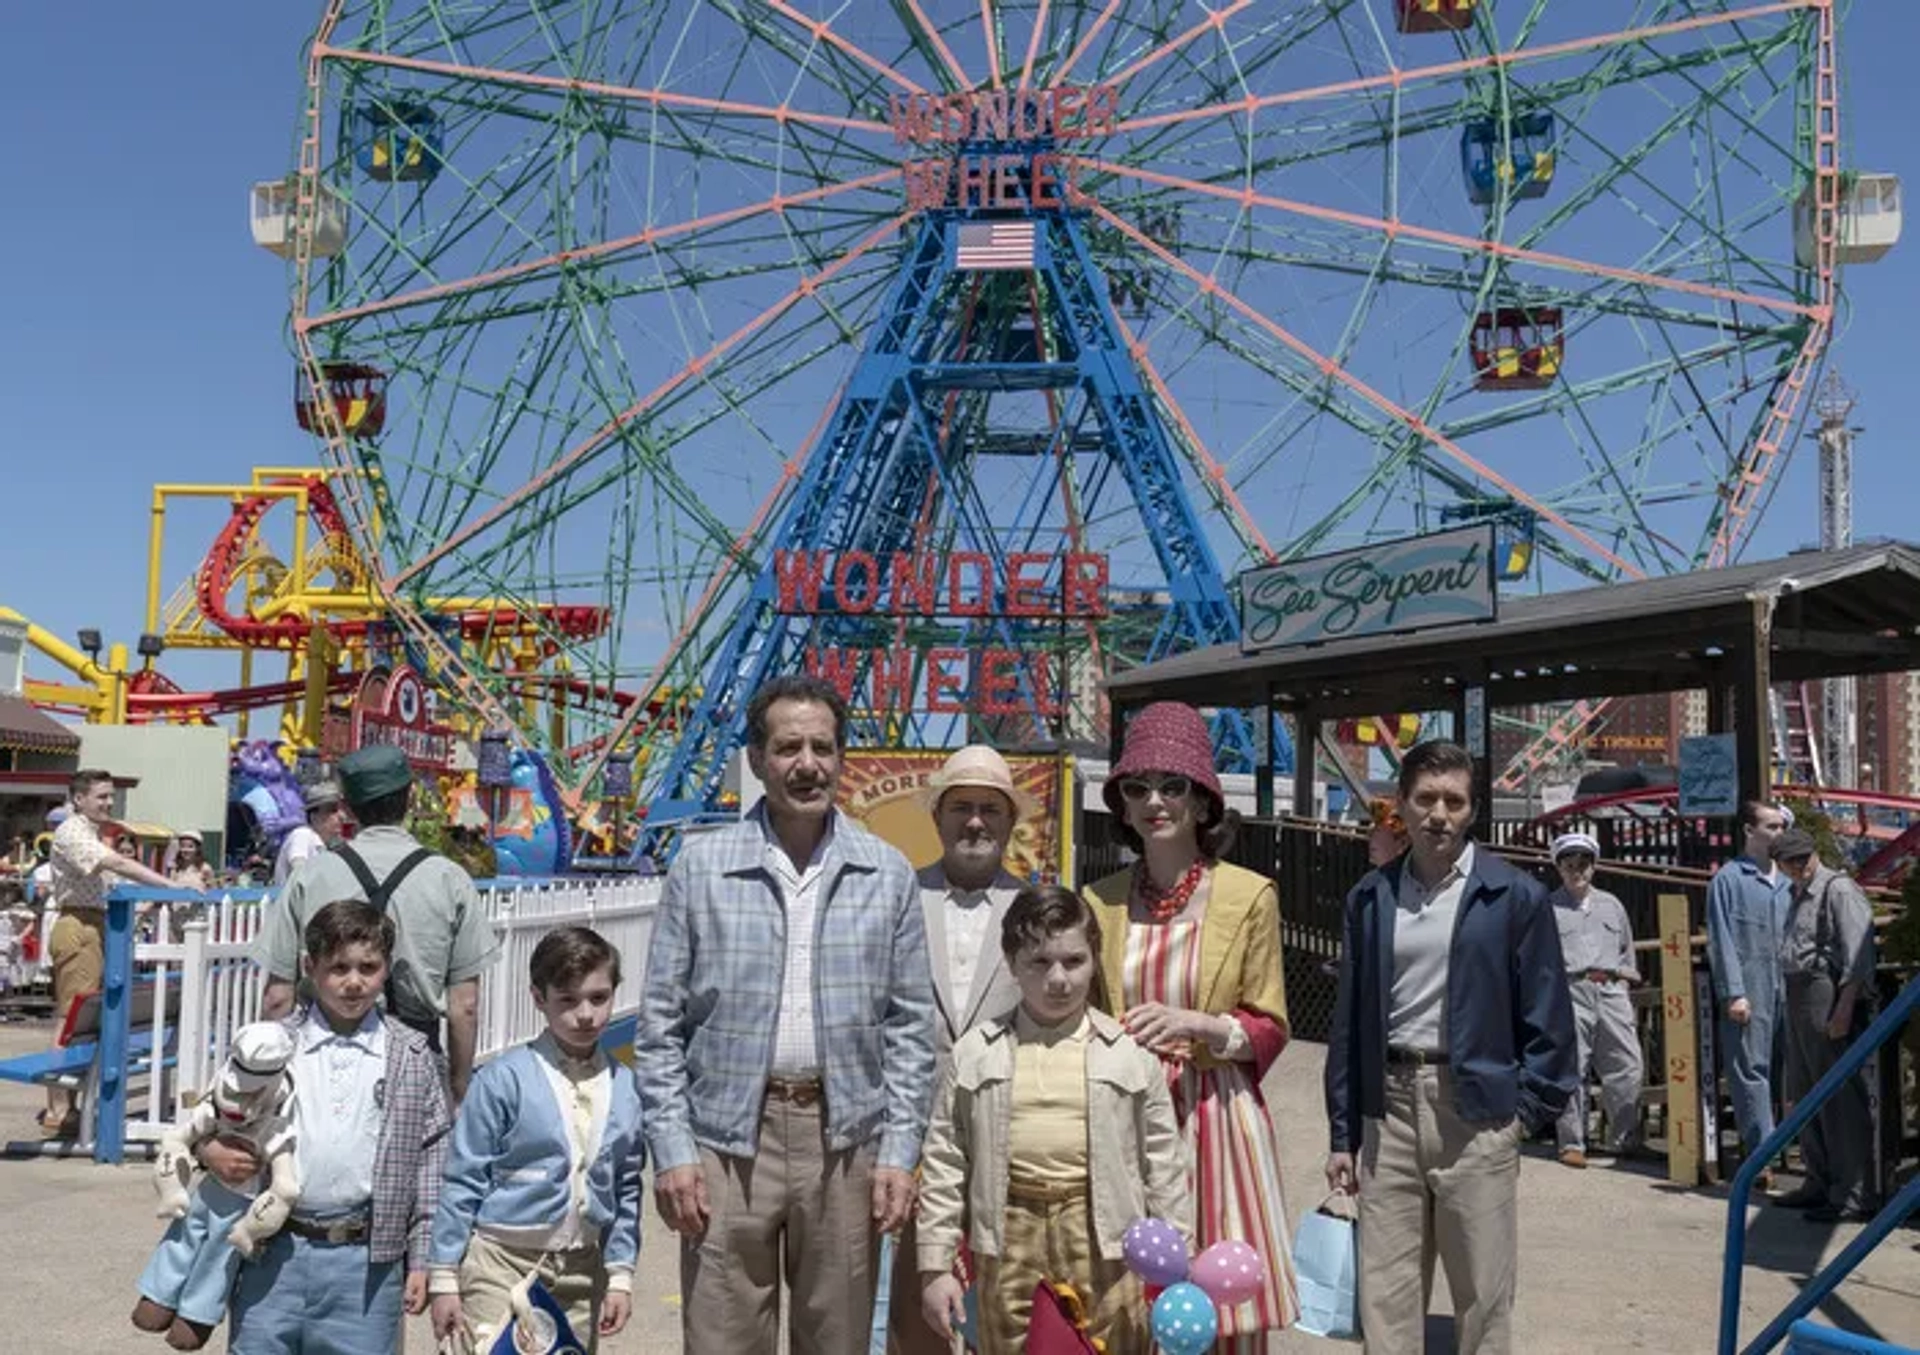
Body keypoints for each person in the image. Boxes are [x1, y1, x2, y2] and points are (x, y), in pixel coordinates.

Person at [633, 674, 935, 1355]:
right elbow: (659, 1027)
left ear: (841, 757)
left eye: (823, 747)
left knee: (837, 1338)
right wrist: (674, 1151)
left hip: (847, 1138)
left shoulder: (885, 874)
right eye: (789, 746)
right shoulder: (702, 869)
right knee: (722, 1337)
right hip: (728, 1137)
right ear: (758, 756)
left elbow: (911, 1030)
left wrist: (899, 1152)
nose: (808, 764)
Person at [1324, 739, 1576, 1355]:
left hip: (1479, 1111)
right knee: (1385, 1293)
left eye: (1455, 801)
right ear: (1402, 806)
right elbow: (1349, 1021)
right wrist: (1342, 1133)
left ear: (1472, 810)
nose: (1440, 814)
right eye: (1426, 799)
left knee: (1483, 1297)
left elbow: (1550, 1017)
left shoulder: (1515, 897)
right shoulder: (1370, 898)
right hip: (1390, 1109)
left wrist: (1522, 1116)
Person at [1083, 700, 1299, 1346]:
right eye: (1138, 786)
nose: (1155, 800)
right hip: (1126, 1112)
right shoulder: (1099, 900)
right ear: (1120, 803)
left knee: (1221, 1302)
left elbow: (1269, 1022)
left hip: (1213, 1116)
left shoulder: (1249, 894)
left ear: (1203, 801)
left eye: (1172, 785)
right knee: (1127, 1291)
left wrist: (1200, 1024)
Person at [917, 885, 1187, 1354]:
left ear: (1095, 958)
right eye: (1039, 962)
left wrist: (1177, 1264)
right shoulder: (975, 1053)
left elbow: (1163, 1166)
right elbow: (944, 1162)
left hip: (1106, 1237)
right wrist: (935, 1266)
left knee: (1111, 1345)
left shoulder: (1130, 1057)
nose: (1058, 979)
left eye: (1074, 961)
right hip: (1006, 1233)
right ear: (1012, 962)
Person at [221, 899, 450, 1354]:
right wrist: (213, 1150)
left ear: (387, 968)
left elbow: (431, 1165)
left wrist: (423, 1260)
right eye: (338, 967)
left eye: (368, 967)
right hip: (274, 1253)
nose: (353, 982)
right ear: (310, 966)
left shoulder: (412, 1055)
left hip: (366, 1265)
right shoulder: (273, 1046)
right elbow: (217, 1117)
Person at [429, 926, 643, 1349]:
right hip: (500, 1261)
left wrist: (620, 1274)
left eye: (599, 998)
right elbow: (464, 1176)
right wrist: (444, 1276)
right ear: (538, 998)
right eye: (568, 1000)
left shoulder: (625, 1087)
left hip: (583, 1269)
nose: (585, 1014)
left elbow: (626, 1184)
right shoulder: (503, 1080)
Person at [256, 745, 500, 1105]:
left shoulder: (309, 876)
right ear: (409, 796)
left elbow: (278, 998)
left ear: (348, 807)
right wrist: (458, 1087)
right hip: (416, 1055)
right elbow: (465, 1005)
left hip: (321, 1058)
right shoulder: (449, 879)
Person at [890, 744, 1033, 1355]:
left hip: (1006, 1136)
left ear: (1009, 822)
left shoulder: (1035, 910)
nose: (975, 822)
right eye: (961, 808)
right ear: (938, 818)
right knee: (914, 1306)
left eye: (989, 810)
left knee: (1007, 1305)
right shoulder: (895, 897)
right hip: (910, 1138)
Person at [42, 769, 177, 1137]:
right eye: (100, 796)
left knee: (87, 1020)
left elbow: (116, 881)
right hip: (79, 927)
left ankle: (73, 1103)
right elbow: (116, 865)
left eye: (109, 796)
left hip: (97, 924)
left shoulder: (92, 834)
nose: (108, 802)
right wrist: (169, 885)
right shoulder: (72, 832)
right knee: (71, 1016)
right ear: (79, 799)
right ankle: (59, 1105)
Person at [1771, 829, 1880, 1223]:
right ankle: (1819, 1181)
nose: (1799, 867)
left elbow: (1859, 954)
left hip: (1826, 994)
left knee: (1839, 1097)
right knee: (1804, 1093)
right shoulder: (1795, 893)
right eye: (1791, 862)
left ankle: (1853, 1193)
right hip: (1798, 992)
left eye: (1803, 859)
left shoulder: (1839, 890)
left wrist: (1844, 1007)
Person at [1705, 799, 1791, 1186]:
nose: (1778, 834)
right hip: (1751, 985)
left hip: (1791, 986)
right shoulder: (1728, 879)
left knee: (1793, 1070)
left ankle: (1800, 1151)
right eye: (1771, 827)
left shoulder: (1790, 877)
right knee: (1752, 1071)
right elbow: (1720, 940)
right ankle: (1762, 1156)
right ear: (1749, 830)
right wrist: (1733, 992)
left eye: (1781, 827)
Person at [1546, 831, 1644, 1167]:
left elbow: (1626, 950)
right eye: (1569, 864)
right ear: (1558, 867)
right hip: (1571, 988)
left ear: (1594, 866)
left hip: (1612, 988)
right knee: (1573, 1067)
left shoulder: (1612, 905)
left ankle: (1623, 1138)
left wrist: (1625, 984)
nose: (1577, 871)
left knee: (1628, 1065)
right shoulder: (1548, 907)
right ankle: (1572, 1142)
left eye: (1584, 864)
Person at [273, 781, 348, 887]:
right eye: (332, 810)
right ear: (313, 816)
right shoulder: (302, 835)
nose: (342, 816)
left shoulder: (331, 845)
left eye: (342, 809)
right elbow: (299, 870)